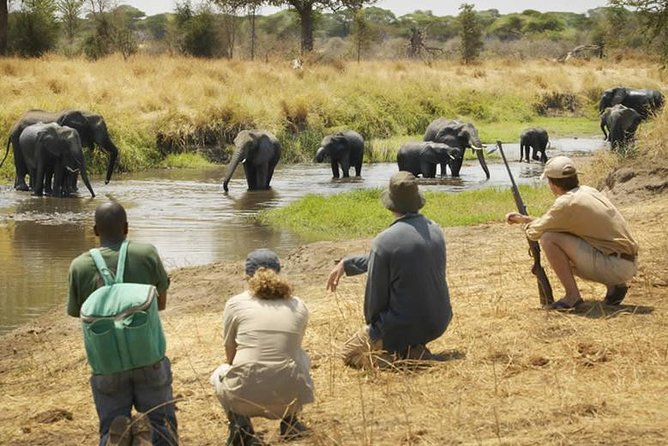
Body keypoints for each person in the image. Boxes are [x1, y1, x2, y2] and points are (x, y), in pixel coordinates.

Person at [67, 202, 178, 446]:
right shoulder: (146, 253)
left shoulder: (79, 266)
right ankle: (152, 434)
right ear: (126, 227)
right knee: (161, 423)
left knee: (110, 424)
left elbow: (78, 313)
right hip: (148, 354)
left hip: (106, 361)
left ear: (95, 230)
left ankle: (114, 439)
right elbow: (160, 304)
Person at [327, 171, 452, 369]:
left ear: (391, 203)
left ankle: (399, 358)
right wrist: (348, 264)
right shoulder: (435, 229)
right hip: (439, 321)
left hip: (404, 325)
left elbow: (373, 304)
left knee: (349, 354)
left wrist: (375, 331)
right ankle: (413, 348)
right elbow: (400, 259)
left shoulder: (384, 241)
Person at [505, 156, 639, 309]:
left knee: (549, 239)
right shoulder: (588, 191)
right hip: (627, 263)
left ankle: (572, 297)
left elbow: (535, 233)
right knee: (560, 235)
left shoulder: (566, 203)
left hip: (615, 267)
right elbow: (558, 223)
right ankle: (615, 287)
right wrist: (524, 219)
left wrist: (526, 226)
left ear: (552, 183)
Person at [210, 248, 313, 446]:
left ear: (247, 275)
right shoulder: (298, 305)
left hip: (243, 400)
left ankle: (241, 425)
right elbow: (293, 347)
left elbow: (230, 356)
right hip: (289, 399)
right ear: (279, 272)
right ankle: (290, 423)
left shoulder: (235, 304)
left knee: (219, 372)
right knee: (300, 357)